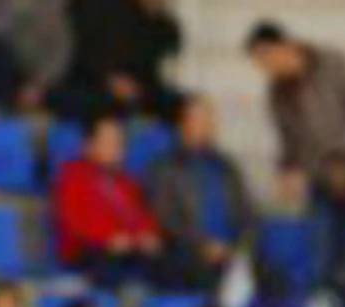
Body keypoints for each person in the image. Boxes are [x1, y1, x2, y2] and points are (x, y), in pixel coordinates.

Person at [247, 21, 345, 302]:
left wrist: (343, 157)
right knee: (321, 259)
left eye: (264, 58)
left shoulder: (333, 64)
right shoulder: (278, 94)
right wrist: (288, 170)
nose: (265, 68)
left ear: (281, 46)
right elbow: (289, 144)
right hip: (321, 181)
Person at [147, 94, 256, 291]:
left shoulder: (226, 166)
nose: (208, 124)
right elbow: (165, 218)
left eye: (210, 118)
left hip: (231, 255)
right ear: (183, 124)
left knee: (274, 278)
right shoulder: (165, 167)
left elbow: (247, 211)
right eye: (200, 119)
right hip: (188, 255)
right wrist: (203, 245)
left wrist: (236, 247)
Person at [51, 114, 165, 285]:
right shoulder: (72, 175)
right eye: (108, 142)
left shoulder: (126, 181)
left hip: (128, 248)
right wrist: (106, 238)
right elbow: (73, 223)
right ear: (89, 146)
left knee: (168, 262)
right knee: (110, 268)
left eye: (119, 143)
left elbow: (140, 215)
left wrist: (148, 234)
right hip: (89, 250)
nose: (116, 148)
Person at [51, 0, 184, 120]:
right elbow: (83, 55)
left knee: (179, 105)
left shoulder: (162, 26)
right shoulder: (96, 8)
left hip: (137, 90)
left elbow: (157, 68)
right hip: (90, 84)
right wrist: (110, 79)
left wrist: (155, 15)